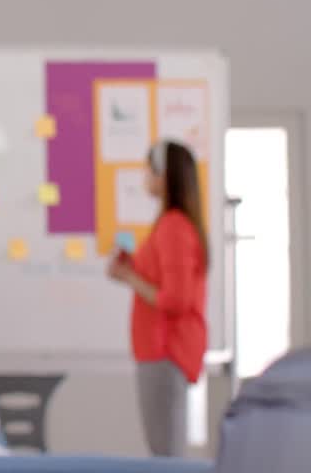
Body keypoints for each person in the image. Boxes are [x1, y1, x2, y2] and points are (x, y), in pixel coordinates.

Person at [106, 139, 209, 457]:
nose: (145, 178)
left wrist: (129, 278)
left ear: (165, 175)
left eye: (149, 171)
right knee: (164, 452)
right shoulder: (170, 226)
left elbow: (176, 299)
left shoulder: (174, 228)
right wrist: (132, 269)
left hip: (165, 353)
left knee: (166, 456)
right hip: (159, 353)